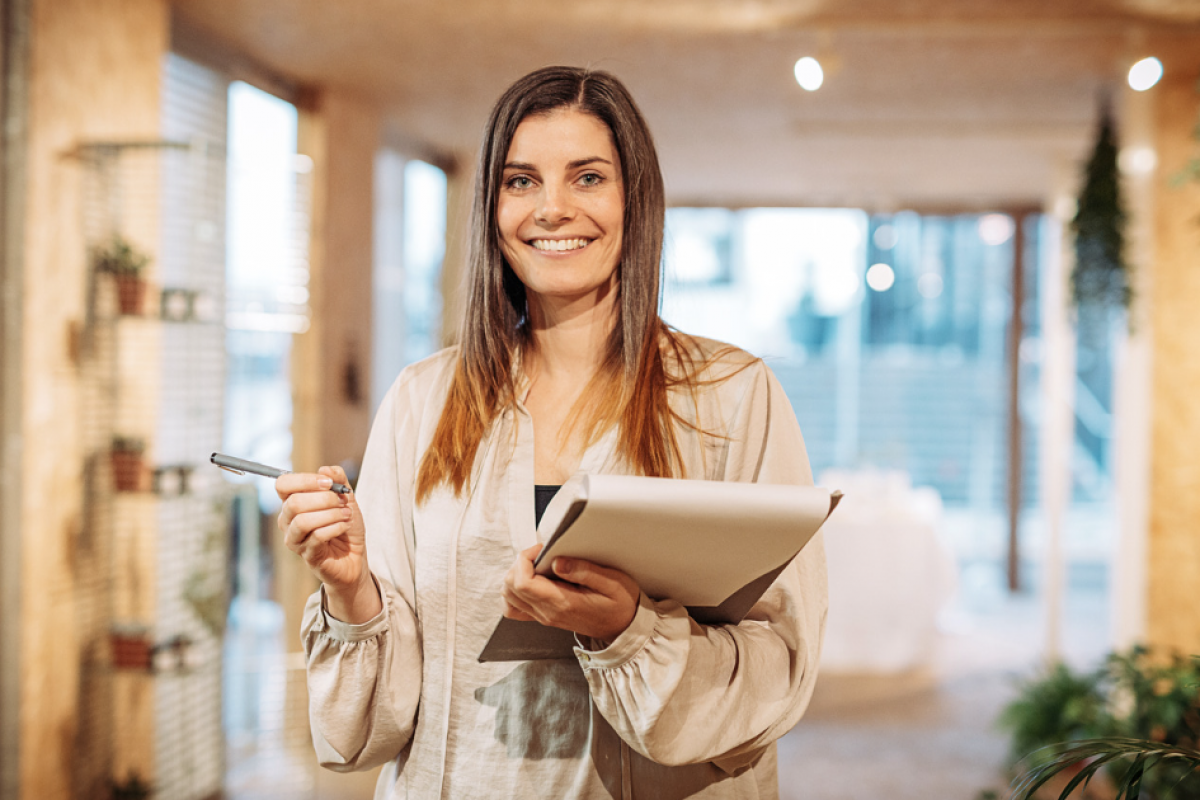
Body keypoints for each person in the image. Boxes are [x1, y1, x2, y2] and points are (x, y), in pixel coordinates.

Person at [276, 65, 827, 799]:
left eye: (588, 177)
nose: (553, 209)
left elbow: (778, 663)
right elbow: (373, 727)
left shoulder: (732, 396)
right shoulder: (423, 399)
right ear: (492, 206)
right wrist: (352, 593)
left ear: (636, 198)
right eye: (521, 181)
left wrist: (632, 631)